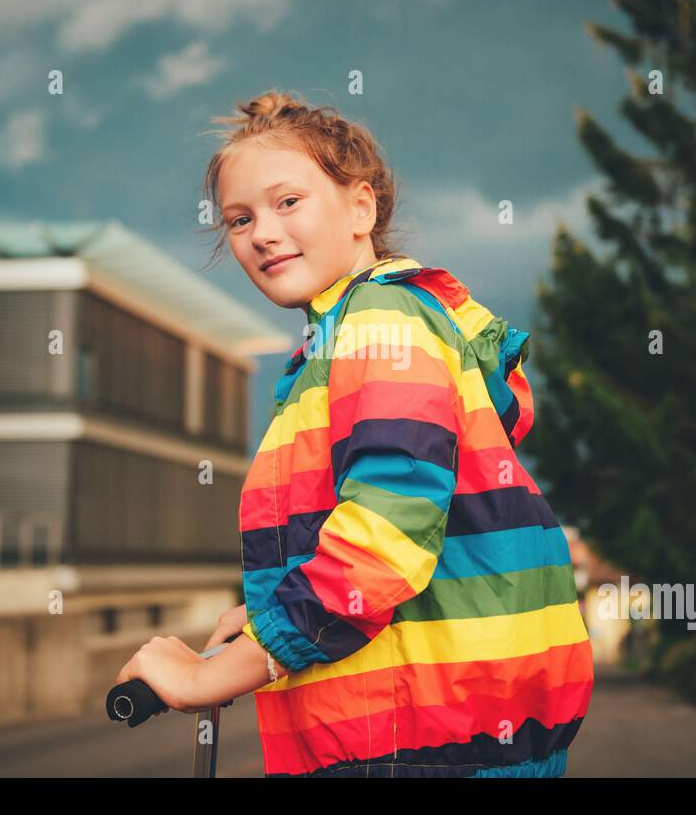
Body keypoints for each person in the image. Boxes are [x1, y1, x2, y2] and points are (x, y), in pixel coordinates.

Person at [114, 90, 594, 776]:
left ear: (361, 208)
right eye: (239, 218)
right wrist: (262, 617)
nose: (262, 232)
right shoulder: (340, 347)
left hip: (415, 745)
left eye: (288, 202)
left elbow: (384, 539)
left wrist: (212, 676)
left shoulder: (381, 323)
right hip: (440, 734)